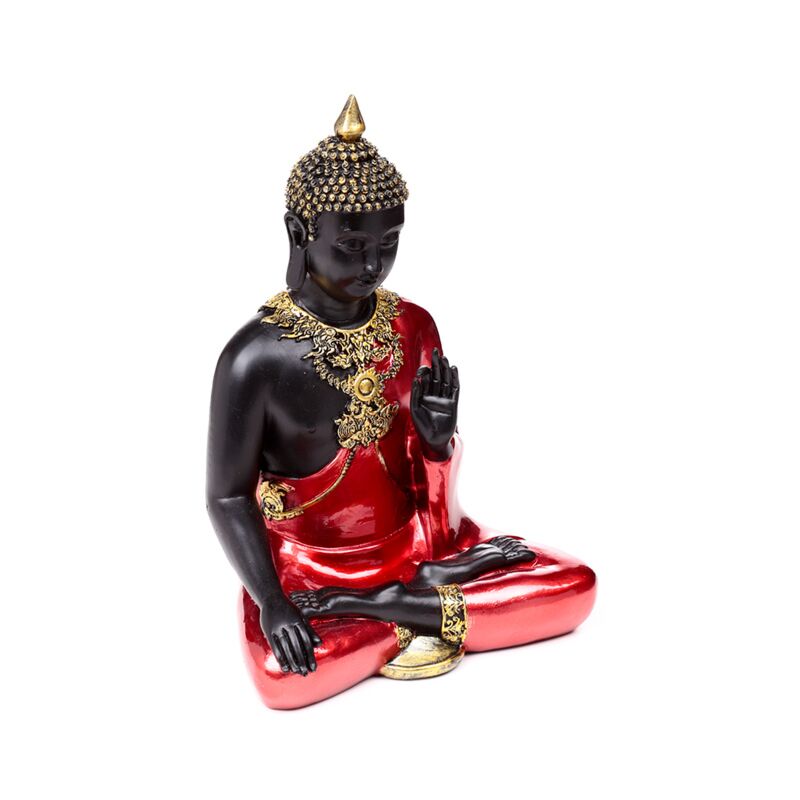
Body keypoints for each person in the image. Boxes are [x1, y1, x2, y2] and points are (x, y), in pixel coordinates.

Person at [206, 96, 596, 709]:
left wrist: (437, 447)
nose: (373, 264)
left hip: (419, 548)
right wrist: (274, 603)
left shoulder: (412, 325)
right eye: (351, 245)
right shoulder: (254, 359)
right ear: (298, 234)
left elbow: (428, 497)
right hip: (309, 570)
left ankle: (388, 607)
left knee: (574, 585)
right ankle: (420, 606)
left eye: (388, 242)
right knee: (284, 677)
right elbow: (228, 497)